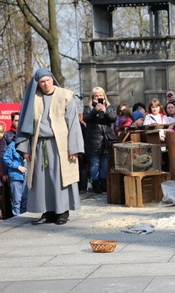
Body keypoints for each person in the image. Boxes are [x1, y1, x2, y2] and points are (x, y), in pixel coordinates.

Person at [16, 68, 84, 225]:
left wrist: (73, 148)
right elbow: (25, 125)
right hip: (38, 144)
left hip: (60, 144)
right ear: (38, 83)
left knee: (60, 178)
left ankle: (62, 212)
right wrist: (25, 149)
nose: (45, 84)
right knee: (42, 180)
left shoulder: (66, 96)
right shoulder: (33, 98)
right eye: (42, 82)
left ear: (52, 79)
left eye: (47, 80)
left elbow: (73, 123)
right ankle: (47, 212)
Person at [83, 87, 118, 194]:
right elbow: (86, 119)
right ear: (92, 97)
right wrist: (95, 110)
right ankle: (95, 183)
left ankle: (103, 182)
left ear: (104, 96)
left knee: (104, 163)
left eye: (100, 95)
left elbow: (113, 118)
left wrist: (105, 111)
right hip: (93, 140)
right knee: (95, 163)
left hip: (106, 139)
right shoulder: (88, 108)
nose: (99, 97)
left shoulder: (109, 107)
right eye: (96, 95)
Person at [3, 136, 28, 216]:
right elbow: (6, 158)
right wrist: (18, 166)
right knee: (17, 200)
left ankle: (24, 218)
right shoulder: (12, 146)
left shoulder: (27, 145)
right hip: (15, 177)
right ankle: (17, 218)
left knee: (25, 200)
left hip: (25, 177)